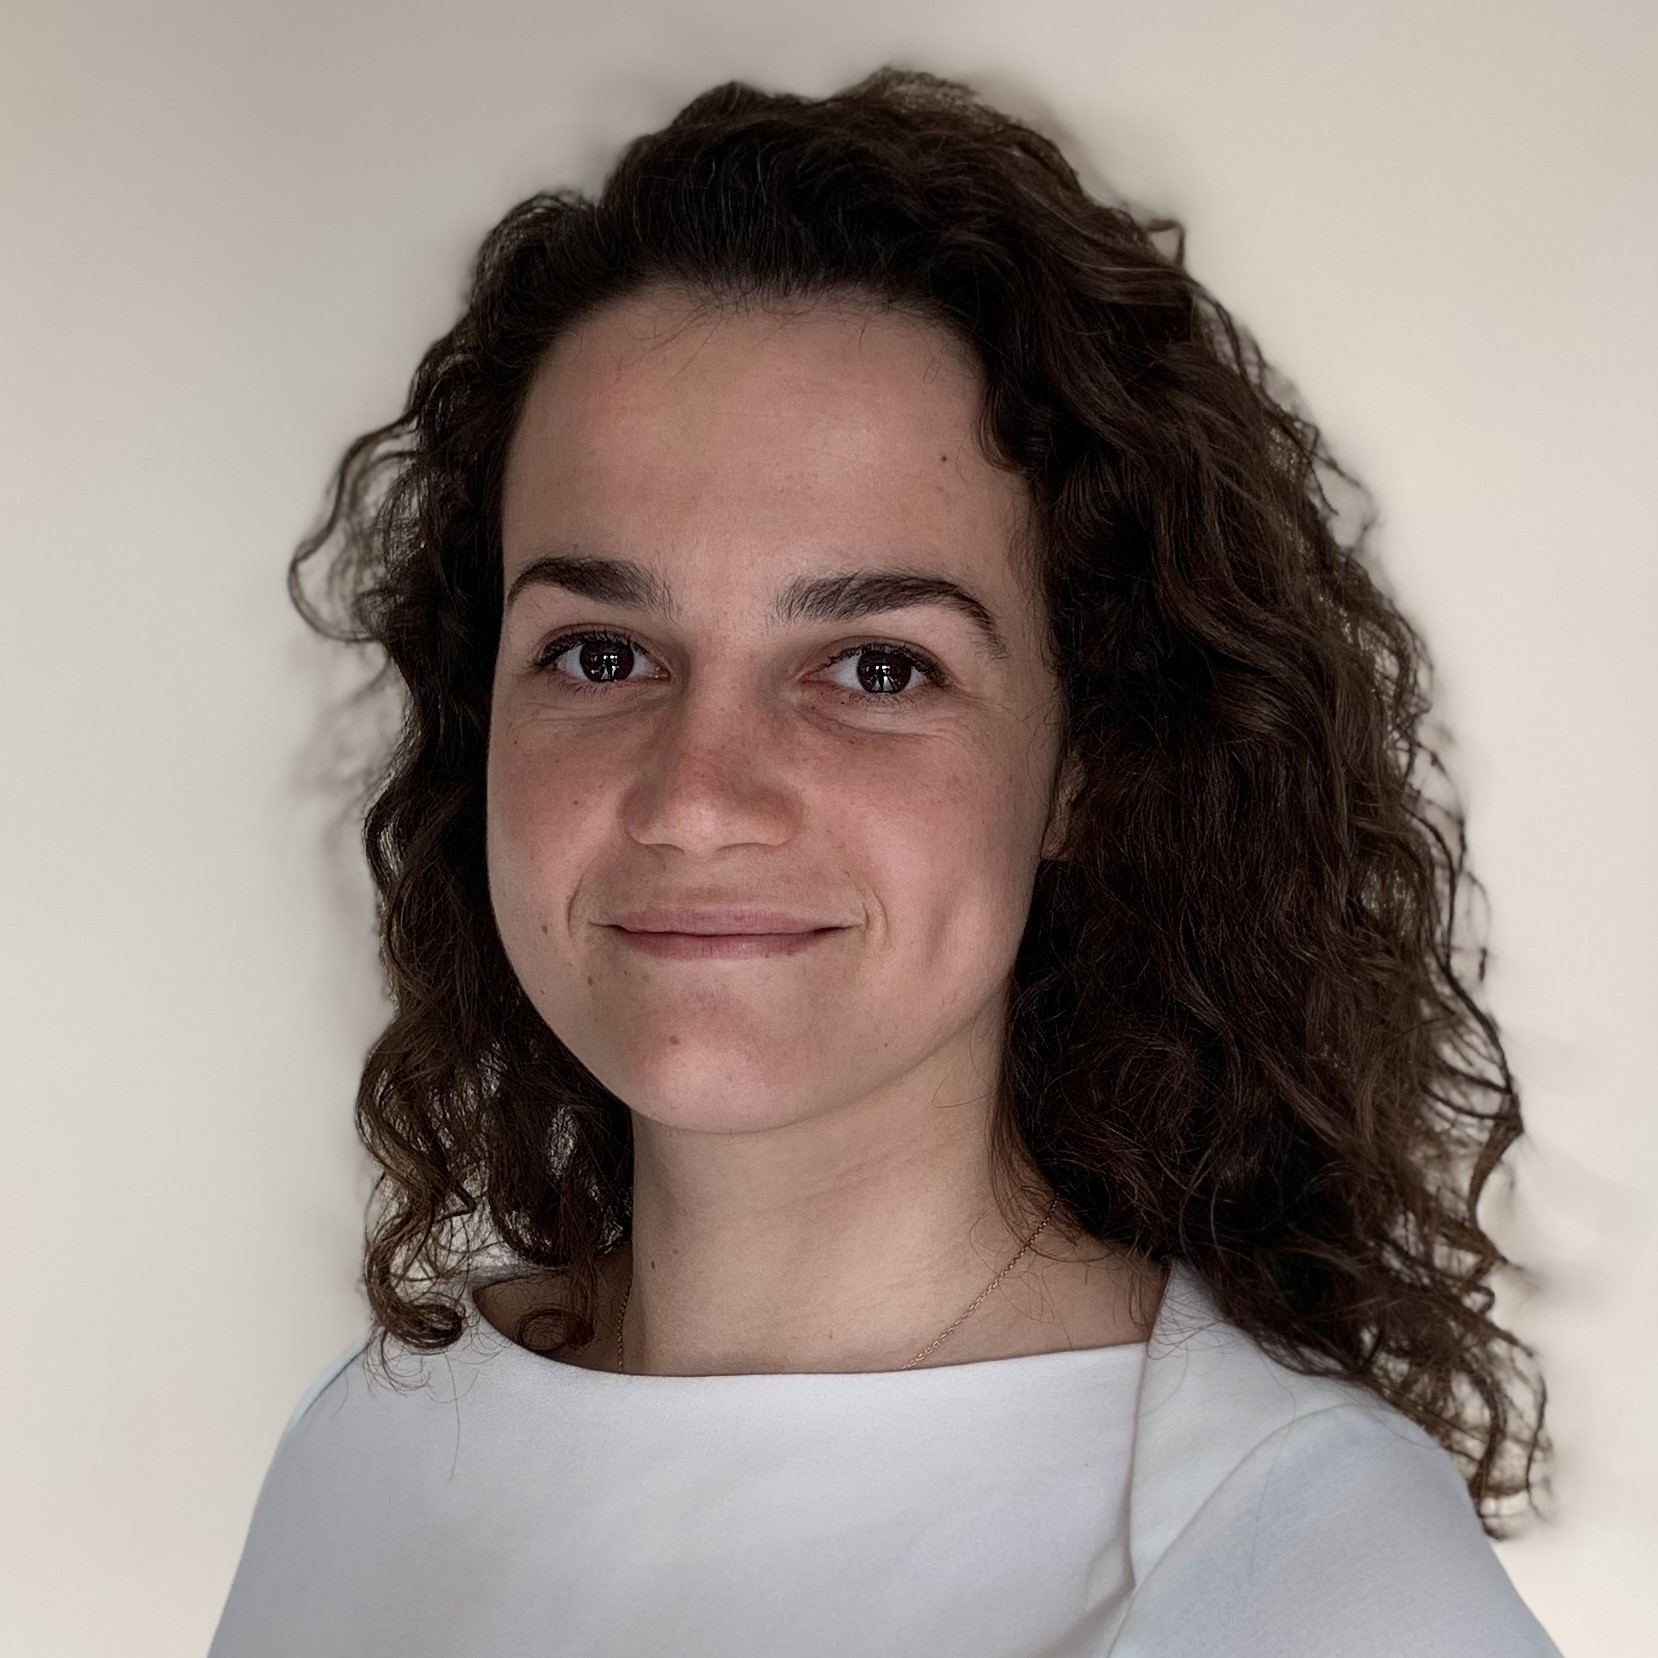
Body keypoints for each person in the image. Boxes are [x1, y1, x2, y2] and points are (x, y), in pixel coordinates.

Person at [208, 67, 1562, 1657]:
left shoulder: (1306, 1577)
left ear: (1088, 761)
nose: (695, 798)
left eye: (873, 668)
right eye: (599, 653)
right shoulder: (373, 1447)